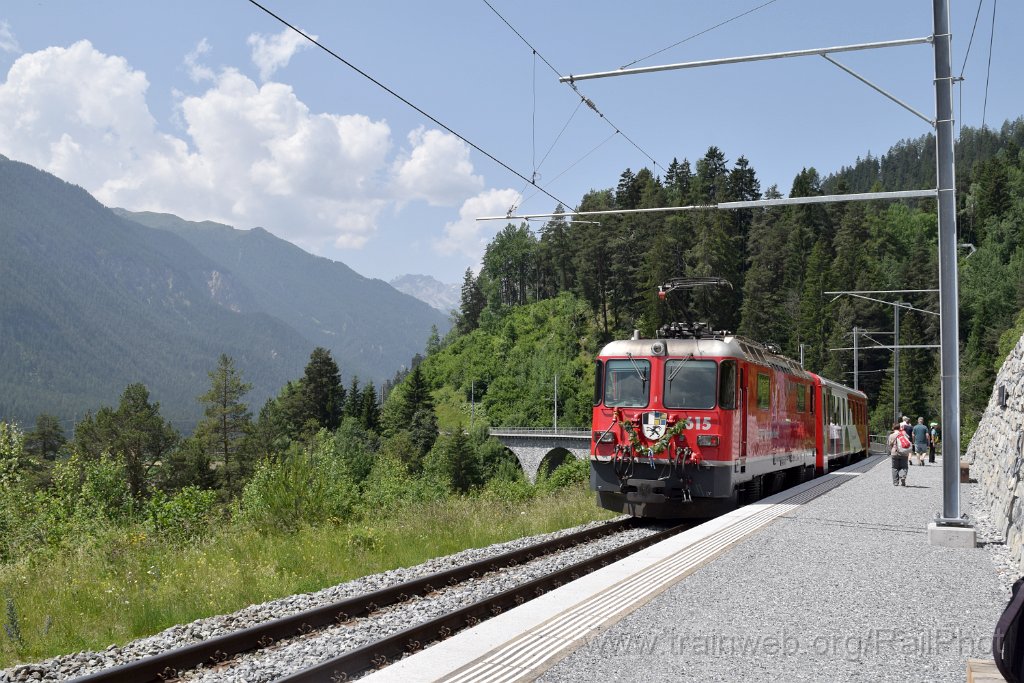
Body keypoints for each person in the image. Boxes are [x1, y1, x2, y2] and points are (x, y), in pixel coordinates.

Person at [888, 422, 911, 486]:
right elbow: (908, 442)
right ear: (899, 427)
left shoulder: (891, 435)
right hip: (904, 452)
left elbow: (890, 445)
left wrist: (891, 451)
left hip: (894, 452)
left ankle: (895, 482)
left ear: (893, 428)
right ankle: (903, 476)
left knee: (894, 467)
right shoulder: (904, 434)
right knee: (904, 467)